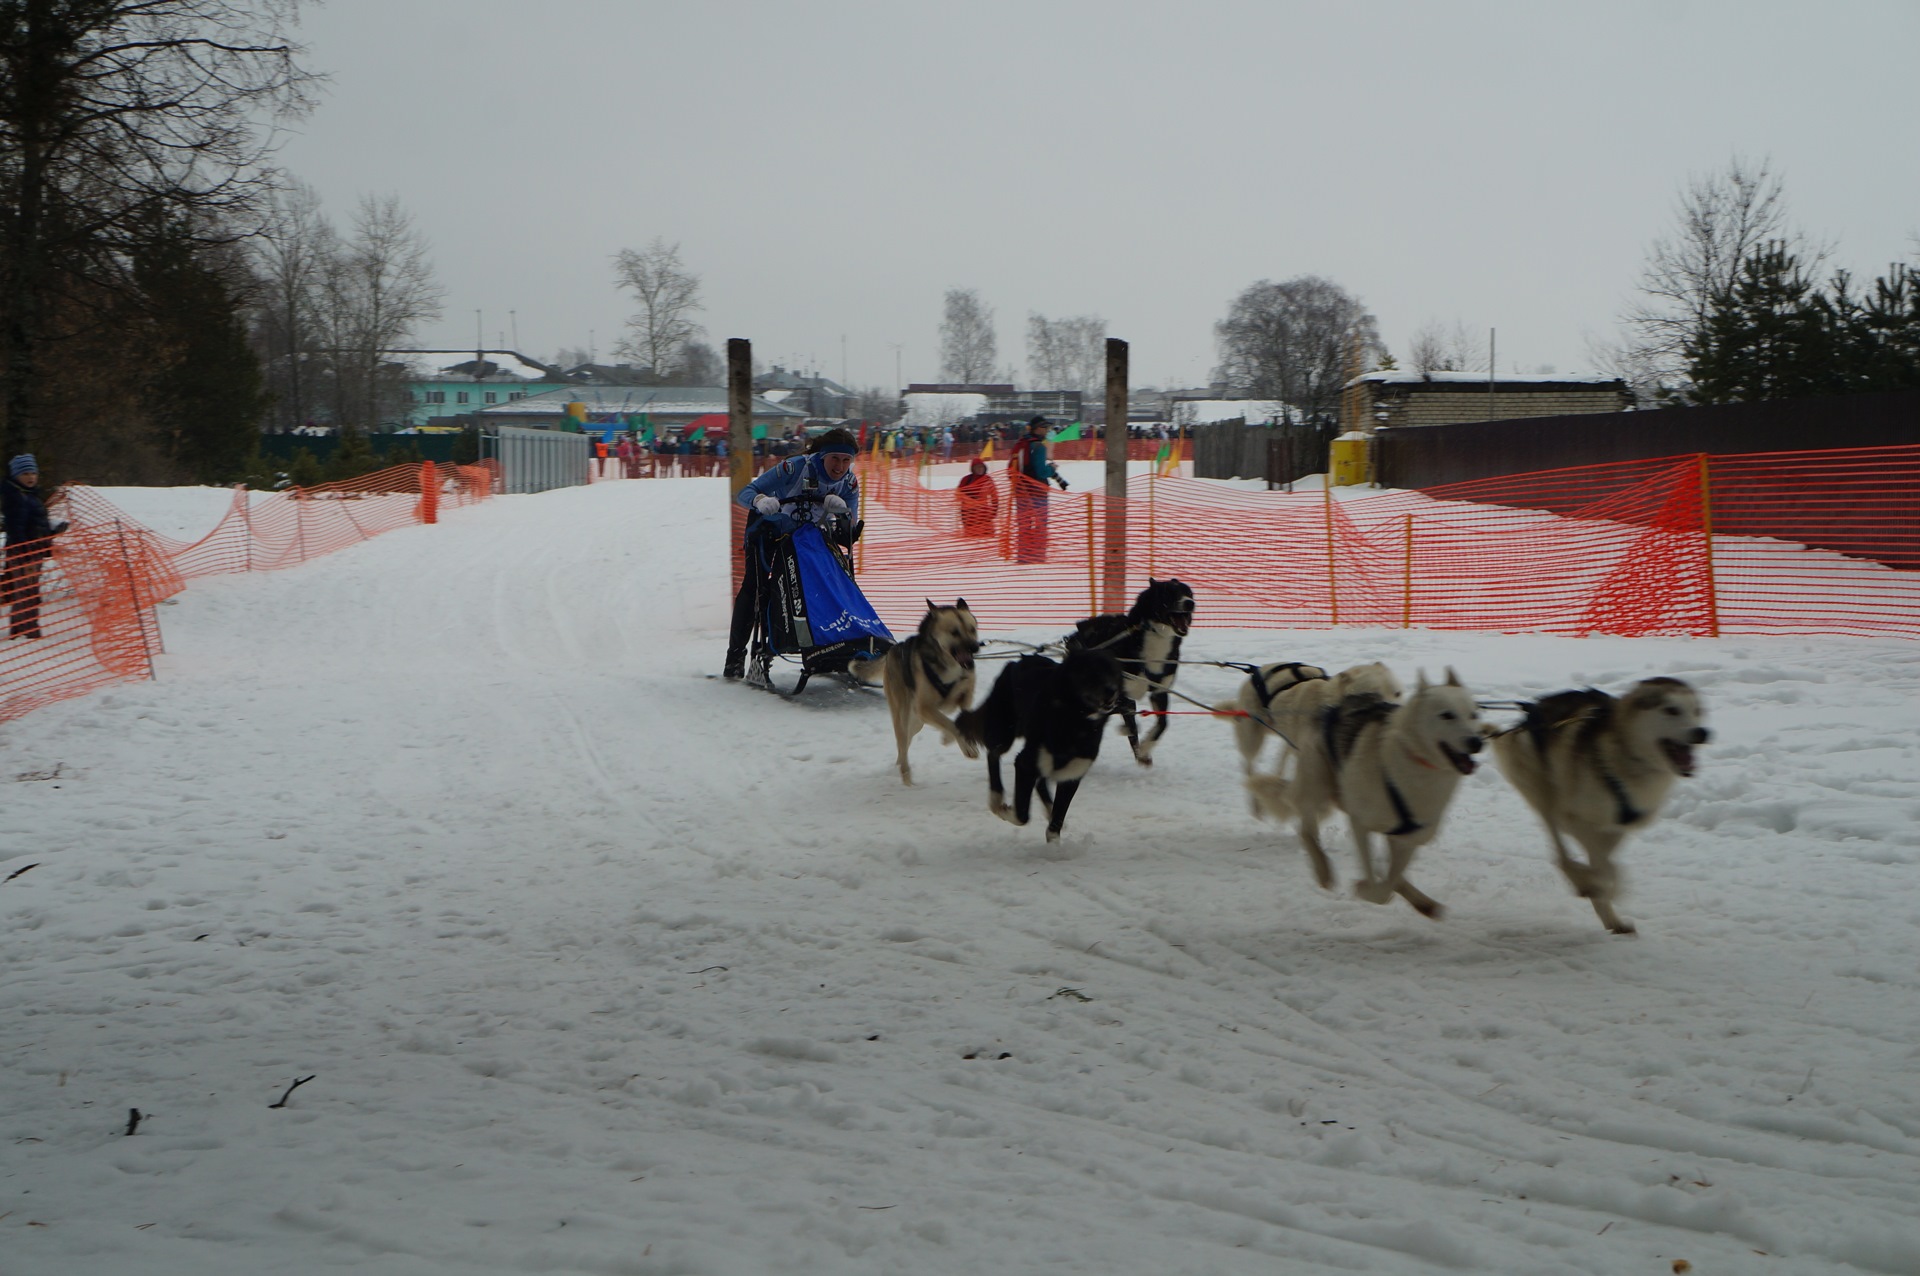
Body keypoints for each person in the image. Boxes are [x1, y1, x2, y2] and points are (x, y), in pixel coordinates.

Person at [723, 427, 861, 680]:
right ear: (822, 456)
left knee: (834, 583)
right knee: (755, 587)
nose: (840, 466)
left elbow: (848, 535)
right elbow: (745, 493)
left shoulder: (849, 483)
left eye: (846, 460)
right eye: (835, 459)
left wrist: (843, 516)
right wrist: (761, 501)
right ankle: (735, 656)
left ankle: (833, 647)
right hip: (769, 531)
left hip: (809, 541)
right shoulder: (794, 468)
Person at [2, 454, 68, 639]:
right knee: (27, 592)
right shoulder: (18, 498)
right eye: (25, 473)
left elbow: (35, 525)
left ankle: (21, 629)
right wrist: (25, 556)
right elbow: (17, 529)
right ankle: (28, 631)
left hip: (34, 552)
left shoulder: (29, 496)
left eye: (33, 472)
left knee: (28, 590)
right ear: (16, 476)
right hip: (24, 553)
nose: (30, 477)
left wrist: (52, 530)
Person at [1007, 416, 1067, 564]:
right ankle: (1038, 555)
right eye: (1044, 428)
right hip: (1037, 492)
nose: (1046, 431)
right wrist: (1051, 469)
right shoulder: (1039, 447)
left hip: (1021, 490)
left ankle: (1024, 555)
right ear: (1036, 429)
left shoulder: (1021, 444)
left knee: (1024, 523)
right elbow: (1041, 471)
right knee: (1040, 523)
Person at [956, 457, 998, 537]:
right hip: (969, 513)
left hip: (984, 513)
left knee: (987, 536)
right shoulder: (966, 480)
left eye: (981, 467)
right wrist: (970, 499)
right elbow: (958, 495)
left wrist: (995, 509)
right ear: (973, 469)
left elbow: (994, 496)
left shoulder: (987, 480)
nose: (980, 469)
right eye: (977, 467)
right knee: (971, 537)